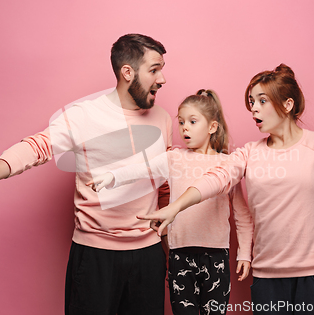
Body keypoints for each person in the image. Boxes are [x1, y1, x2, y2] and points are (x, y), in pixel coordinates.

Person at [0, 34, 173, 315]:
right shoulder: (83, 115)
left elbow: (163, 183)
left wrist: (167, 242)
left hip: (147, 257)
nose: (162, 79)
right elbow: (36, 147)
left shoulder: (162, 118)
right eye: (154, 69)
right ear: (128, 72)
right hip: (95, 256)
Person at [139, 64, 314, 314]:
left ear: (287, 105)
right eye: (252, 101)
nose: (253, 108)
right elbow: (216, 178)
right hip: (267, 278)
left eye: (262, 101)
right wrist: (175, 208)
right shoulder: (249, 153)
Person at [89, 89, 254, 315]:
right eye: (182, 122)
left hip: (217, 256)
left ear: (212, 127)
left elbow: (242, 214)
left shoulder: (228, 165)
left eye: (193, 121)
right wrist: (113, 177)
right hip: (180, 255)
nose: (185, 127)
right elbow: (143, 169)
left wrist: (244, 253)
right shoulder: (174, 158)